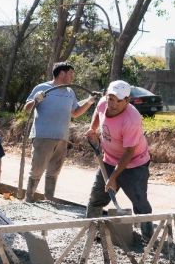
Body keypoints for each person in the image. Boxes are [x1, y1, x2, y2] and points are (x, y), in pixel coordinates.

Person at [85, 80, 153, 240]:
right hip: (109, 159)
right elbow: (98, 112)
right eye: (110, 98)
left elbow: (129, 152)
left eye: (118, 100)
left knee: (140, 202)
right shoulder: (103, 103)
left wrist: (113, 178)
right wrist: (92, 128)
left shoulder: (132, 120)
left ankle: (148, 238)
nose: (113, 103)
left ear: (127, 100)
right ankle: (91, 232)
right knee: (96, 198)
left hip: (135, 164)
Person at [23, 62, 95, 201]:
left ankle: (49, 199)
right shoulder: (43, 88)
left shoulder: (70, 92)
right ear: (62, 73)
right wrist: (36, 100)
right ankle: (29, 198)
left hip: (62, 137)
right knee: (37, 169)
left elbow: (75, 113)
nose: (72, 77)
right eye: (71, 74)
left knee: (54, 171)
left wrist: (89, 101)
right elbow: (27, 108)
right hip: (43, 136)